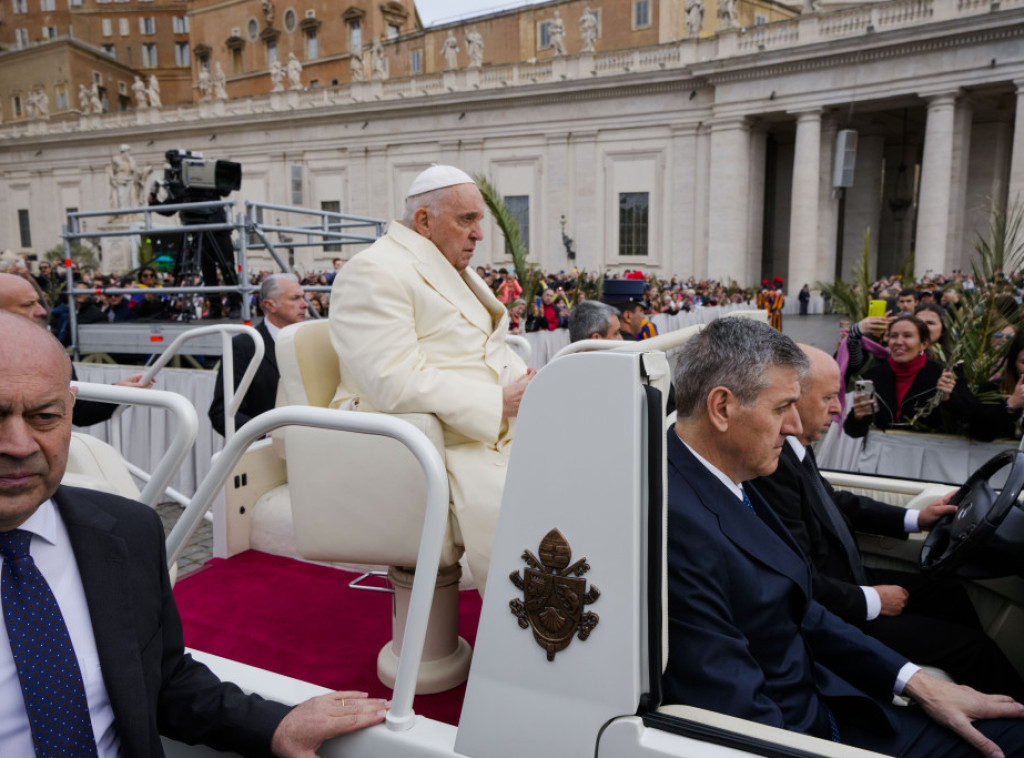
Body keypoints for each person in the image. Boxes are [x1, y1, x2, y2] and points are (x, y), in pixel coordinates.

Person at [0, 312, 389, 756]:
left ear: (71, 411)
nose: (20, 444)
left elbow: (162, 679)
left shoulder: (128, 531)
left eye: (44, 416)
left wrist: (276, 725)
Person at [663, 316, 1024, 757]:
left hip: (830, 695)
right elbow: (741, 717)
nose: (793, 427)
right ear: (722, 408)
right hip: (808, 733)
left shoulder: (727, 474)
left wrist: (918, 683)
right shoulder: (681, 528)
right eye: (781, 408)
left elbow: (799, 608)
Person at [751, 344, 1024, 700]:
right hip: (837, 610)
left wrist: (917, 518)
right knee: (974, 650)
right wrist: (873, 600)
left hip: (847, 578)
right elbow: (798, 577)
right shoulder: (773, 465)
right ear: (793, 398)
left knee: (950, 594)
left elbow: (834, 502)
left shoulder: (795, 449)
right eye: (829, 398)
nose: (838, 409)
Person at [329, 165, 534, 594]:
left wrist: (528, 380)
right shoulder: (374, 271)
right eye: (467, 220)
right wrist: (500, 403)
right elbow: (394, 380)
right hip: (433, 440)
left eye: (479, 220)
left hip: (484, 429)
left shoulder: (446, 263)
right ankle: (538, 626)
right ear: (424, 220)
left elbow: (482, 347)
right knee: (540, 514)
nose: (479, 234)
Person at [0, 273, 151, 428]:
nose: (42, 311)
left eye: (38, 302)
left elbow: (78, 410)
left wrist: (121, 390)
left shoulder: (51, 353)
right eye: (28, 305)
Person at [844, 315, 983, 439]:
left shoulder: (945, 375)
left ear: (924, 344)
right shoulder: (871, 376)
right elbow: (853, 432)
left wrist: (949, 398)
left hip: (931, 454)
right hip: (883, 453)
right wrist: (858, 416)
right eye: (893, 336)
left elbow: (976, 419)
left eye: (907, 336)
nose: (899, 341)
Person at [209, 274, 307, 436]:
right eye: (295, 298)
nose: (305, 304)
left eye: (303, 297)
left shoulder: (310, 342)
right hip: (266, 447)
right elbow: (222, 413)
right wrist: (268, 435)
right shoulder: (244, 347)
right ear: (270, 305)